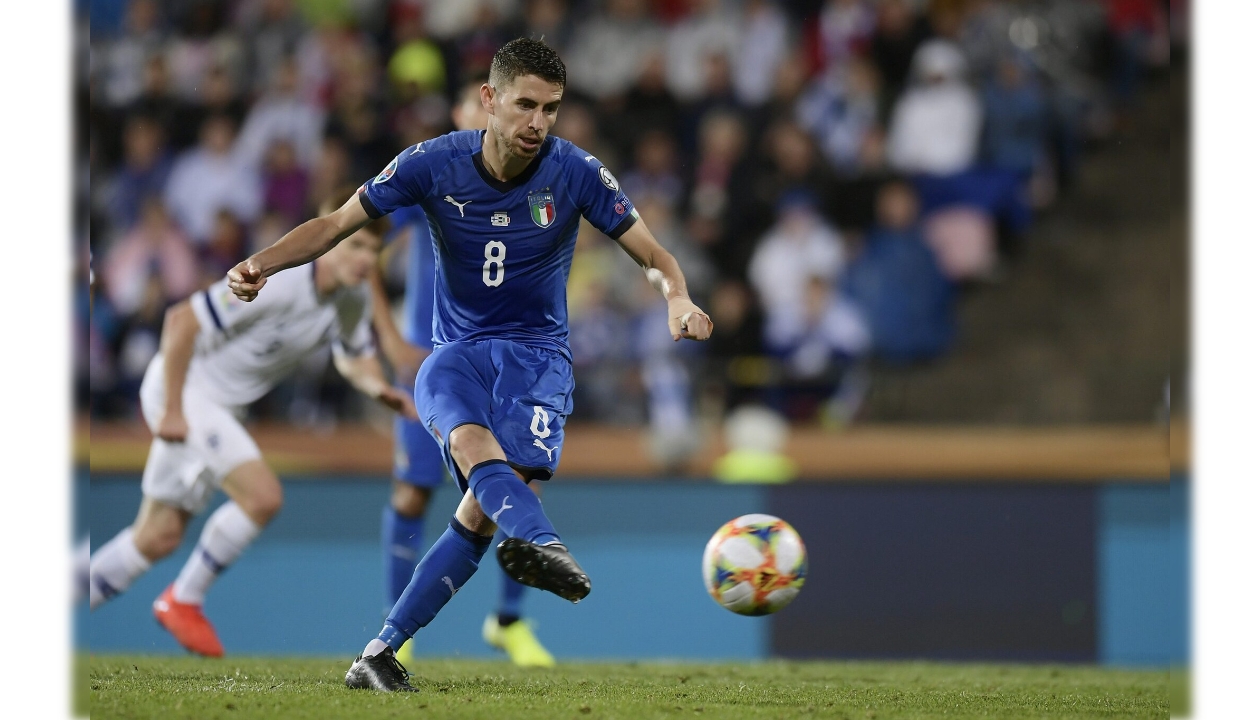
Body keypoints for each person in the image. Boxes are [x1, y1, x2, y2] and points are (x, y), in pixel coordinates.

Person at [226, 38, 713, 692]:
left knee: (481, 511)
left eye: (552, 108)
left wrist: (677, 297)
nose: (538, 122)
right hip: (454, 356)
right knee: (469, 447)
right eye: (525, 105)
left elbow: (653, 253)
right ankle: (544, 544)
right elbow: (338, 224)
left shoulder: (575, 172)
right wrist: (262, 264)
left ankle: (379, 653)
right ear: (489, 100)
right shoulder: (431, 163)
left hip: (538, 361)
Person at [87, 218, 416, 658]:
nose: (363, 261)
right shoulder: (280, 282)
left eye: (372, 252)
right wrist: (172, 409)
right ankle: (183, 599)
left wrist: (380, 390)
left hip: (216, 409)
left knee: (157, 537)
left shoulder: (352, 298)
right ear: (330, 242)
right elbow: (182, 319)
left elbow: (355, 357)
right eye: (354, 246)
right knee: (262, 496)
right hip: (186, 393)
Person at [369, 79, 556, 668]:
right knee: (413, 491)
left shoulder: (533, 178)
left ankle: (509, 622)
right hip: (434, 360)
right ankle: (402, 625)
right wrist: (389, 336)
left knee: (514, 485)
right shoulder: (433, 177)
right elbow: (357, 247)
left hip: (506, 359)